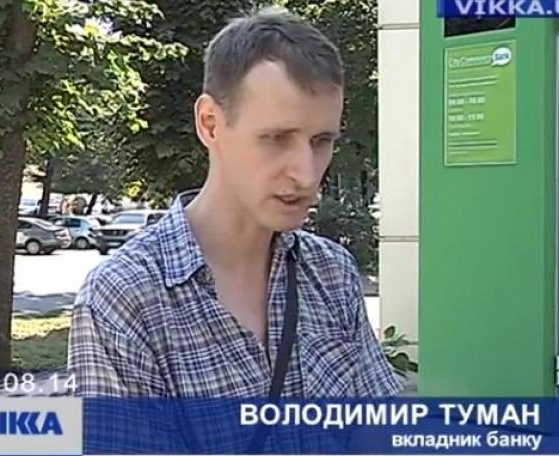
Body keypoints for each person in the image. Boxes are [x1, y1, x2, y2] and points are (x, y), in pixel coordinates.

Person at [68, 6, 400, 398]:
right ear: (210, 123)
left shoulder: (332, 274)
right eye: (276, 138)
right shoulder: (125, 297)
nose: (307, 174)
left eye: (321, 141)